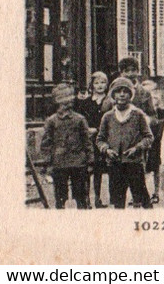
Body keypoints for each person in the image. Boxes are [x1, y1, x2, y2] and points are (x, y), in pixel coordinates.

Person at [97, 77, 153, 209]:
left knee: (142, 200)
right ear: (113, 95)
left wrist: (137, 148)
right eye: (118, 91)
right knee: (118, 202)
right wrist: (106, 150)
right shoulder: (108, 117)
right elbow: (100, 139)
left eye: (125, 91)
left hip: (134, 164)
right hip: (115, 165)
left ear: (130, 95)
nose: (122, 94)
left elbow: (148, 137)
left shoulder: (137, 115)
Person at [40, 82, 94, 210]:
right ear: (57, 102)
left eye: (70, 100)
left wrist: (90, 160)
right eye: (63, 101)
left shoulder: (80, 119)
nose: (67, 104)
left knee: (81, 196)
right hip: (59, 164)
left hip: (78, 163)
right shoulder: (51, 121)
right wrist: (48, 163)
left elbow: (87, 141)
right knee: (60, 197)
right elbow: (46, 143)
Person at [77, 71, 109, 208]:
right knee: (86, 170)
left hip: (100, 138)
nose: (99, 86)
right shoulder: (86, 102)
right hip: (88, 138)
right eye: (96, 83)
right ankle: (86, 199)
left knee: (98, 170)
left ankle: (97, 198)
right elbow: (81, 118)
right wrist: (86, 130)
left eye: (102, 83)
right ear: (92, 85)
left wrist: (98, 129)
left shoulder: (109, 101)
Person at [141, 79, 164, 205]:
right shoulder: (140, 112)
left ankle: (156, 192)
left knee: (156, 168)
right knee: (142, 168)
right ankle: (141, 193)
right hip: (142, 142)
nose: (152, 97)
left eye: (154, 93)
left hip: (157, 141)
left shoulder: (162, 111)